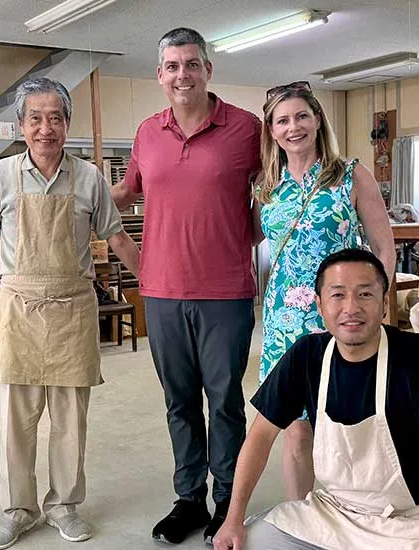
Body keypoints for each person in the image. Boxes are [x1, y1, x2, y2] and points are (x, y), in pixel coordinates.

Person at [110, 26, 262, 545]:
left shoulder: (246, 129)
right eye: (172, 66)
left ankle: (228, 502)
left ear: (208, 70)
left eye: (192, 64)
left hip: (226, 294)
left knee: (224, 401)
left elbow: (271, 195)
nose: (183, 75)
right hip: (162, 293)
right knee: (179, 402)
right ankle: (189, 499)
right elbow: (126, 192)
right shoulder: (147, 132)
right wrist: (73, 198)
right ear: (160, 75)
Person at [214, 248, 419, 550]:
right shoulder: (307, 354)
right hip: (332, 513)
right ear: (320, 305)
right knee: (245, 543)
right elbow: (260, 436)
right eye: (337, 295)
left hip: (406, 522)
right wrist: (233, 518)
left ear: (384, 303)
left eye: (365, 294)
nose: (351, 308)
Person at [0, 77, 140, 550]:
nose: (45, 128)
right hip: (17, 308)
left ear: (67, 123)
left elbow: (117, 237)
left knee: (70, 418)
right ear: (21, 124)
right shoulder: (0, 176)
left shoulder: (89, 177)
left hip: (72, 308)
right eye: (35, 118)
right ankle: (17, 509)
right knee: (16, 419)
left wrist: (154, 282)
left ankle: (64, 505)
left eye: (55, 118)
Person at [253, 81, 396, 502]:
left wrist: (378, 306)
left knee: (348, 420)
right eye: (282, 121)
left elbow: (384, 247)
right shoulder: (267, 186)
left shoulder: (350, 175)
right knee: (295, 427)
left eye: (302, 116)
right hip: (284, 319)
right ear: (272, 130)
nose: (293, 127)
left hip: (342, 314)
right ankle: (302, 512)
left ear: (318, 120)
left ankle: (357, 507)